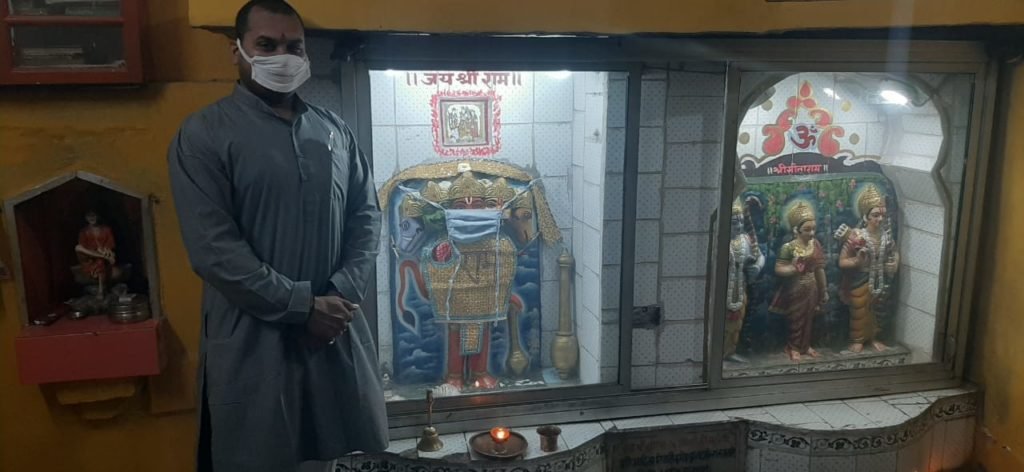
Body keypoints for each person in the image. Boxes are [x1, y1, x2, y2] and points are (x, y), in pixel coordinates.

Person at [166, 1, 388, 470]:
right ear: (237, 51)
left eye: (294, 47)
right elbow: (214, 250)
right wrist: (302, 307)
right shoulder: (204, 135)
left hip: (332, 331)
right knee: (258, 456)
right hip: (255, 339)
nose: (281, 57)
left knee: (336, 456)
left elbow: (366, 217)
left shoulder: (334, 131)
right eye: (266, 45)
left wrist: (340, 296)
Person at [839, 184, 899, 353]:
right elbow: (842, 262)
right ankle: (857, 340)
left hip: (880, 280)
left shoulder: (886, 236)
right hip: (860, 280)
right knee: (859, 309)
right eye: (875, 215)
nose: (879, 219)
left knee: (877, 310)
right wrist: (857, 261)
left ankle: (873, 338)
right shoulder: (856, 236)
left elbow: (894, 252)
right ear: (865, 216)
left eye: (882, 215)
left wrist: (894, 263)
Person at [769, 202, 828, 362]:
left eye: (813, 229)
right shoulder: (788, 247)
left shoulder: (815, 244)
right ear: (796, 229)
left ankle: (806, 345)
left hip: (812, 287)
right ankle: (793, 347)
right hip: (794, 288)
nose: (812, 233)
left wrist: (823, 290)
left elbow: (819, 269)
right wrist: (794, 269)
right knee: (795, 318)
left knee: (809, 317)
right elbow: (779, 268)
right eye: (807, 229)